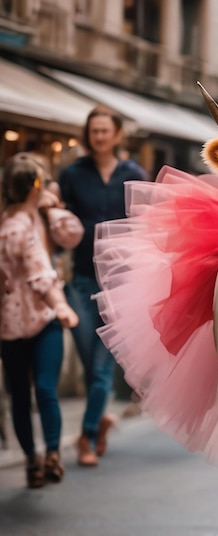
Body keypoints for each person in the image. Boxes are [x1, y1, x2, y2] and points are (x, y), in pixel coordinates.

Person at [58, 105, 148, 467]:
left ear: (117, 135)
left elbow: (145, 226)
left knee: (99, 368)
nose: (99, 136)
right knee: (87, 360)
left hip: (119, 283)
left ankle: (87, 435)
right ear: (87, 134)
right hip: (80, 280)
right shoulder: (71, 174)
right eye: (93, 131)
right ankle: (100, 420)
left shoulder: (134, 173)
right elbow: (59, 219)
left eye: (104, 130)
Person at [0, 153, 81, 488]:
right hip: (42, 319)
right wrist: (62, 306)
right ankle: (50, 453)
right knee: (45, 390)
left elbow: (70, 235)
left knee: (19, 395)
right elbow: (40, 277)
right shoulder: (21, 229)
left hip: (8, 327)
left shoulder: (10, 221)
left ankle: (34, 460)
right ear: (35, 186)